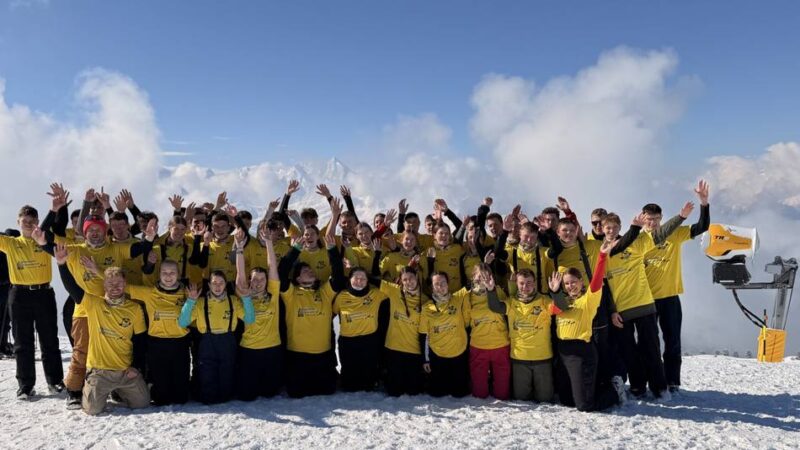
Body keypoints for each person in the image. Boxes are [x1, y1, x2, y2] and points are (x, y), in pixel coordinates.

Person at [602, 205, 687, 400]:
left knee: (651, 348)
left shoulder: (635, 243)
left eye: (615, 227)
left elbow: (661, 234)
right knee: (629, 352)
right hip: (621, 310)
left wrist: (680, 217)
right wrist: (612, 310)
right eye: (607, 227)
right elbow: (604, 286)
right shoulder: (601, 253)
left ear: (619, 228)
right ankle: (638, 386)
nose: (611, 230)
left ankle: (660, 388)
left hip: (644, 305)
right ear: (602, 229)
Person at [54, 245, 149, 416]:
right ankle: (90, 386)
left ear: (125, 284)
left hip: (124, 371)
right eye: (110, 283)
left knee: (142, 404)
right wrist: (61, 264)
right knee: (92, 410)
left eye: (119, 283)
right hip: (100, 372)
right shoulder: (94, 304)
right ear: (104, 285)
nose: (115, 287)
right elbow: (73, 288)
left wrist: (135, 367)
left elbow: (140, 342)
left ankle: (119, 390)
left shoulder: (134, 308)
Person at [642, 180, 711, 394]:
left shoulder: (674, 233)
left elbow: (702, 227)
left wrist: (704, 203)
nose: (652, 223)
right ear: (643, 218)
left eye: (656, 219)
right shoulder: (637, 239)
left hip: (670, 296)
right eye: (649, 219)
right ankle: (649, 381)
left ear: (661, 219)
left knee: (672, 341)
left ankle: (672, 382)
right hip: (644, 299)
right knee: (648, 344)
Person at [276, 199, 344, 398]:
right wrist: (295, 250)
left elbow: (338, 278)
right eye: (306, 270)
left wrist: (332, 250)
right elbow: (281, 273)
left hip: (322, 354)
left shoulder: (323, 291)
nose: (311, 272)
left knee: (327, 390)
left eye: (311, 270)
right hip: (297, 355)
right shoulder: (290, 294)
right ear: (297, 277)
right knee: (297, 392)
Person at [546, 239, 623, 411]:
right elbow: (556, 310)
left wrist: (602, 256)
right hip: (563, 351)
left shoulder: (588, 299)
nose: (570, 286)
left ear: (581, 282)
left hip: (582, 352)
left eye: (574, 281)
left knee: (584, 405)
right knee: (566, 400)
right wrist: (555, 291)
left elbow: (596, 282)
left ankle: (615, 392)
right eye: (566, 283)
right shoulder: (561, 301)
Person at [0, 206, 64, 400]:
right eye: (24, 220)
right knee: (22, 342)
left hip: (43, 293)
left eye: (32, 220)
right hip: (19, 295)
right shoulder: (10, 242)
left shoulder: (45, 239)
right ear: (18, 221)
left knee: (49, 339)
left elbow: (59, 226)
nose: (28, 224)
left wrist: (54, 209)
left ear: (37, 222)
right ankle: (26, 385)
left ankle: (55, 381)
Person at [178, 270, 254, 404]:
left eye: (221, 283)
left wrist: (247, 298)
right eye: (214, 283)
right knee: (207, 373)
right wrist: (190, 301)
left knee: (227, 372)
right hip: (207, 342)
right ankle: (209, 399)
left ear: (226, 284)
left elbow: (250, 319)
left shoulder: (233, 301)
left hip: (227, 341)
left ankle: (225, 399)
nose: (218, 286)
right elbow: (182, 322)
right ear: (209, 284)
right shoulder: (201, 302)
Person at [487, 268, 553, 403]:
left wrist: (556, 292)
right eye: (522, 283)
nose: (525, 287)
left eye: (529, 283)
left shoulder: (544, 301)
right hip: (519, 358)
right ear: (516, 284)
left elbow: (561, 308)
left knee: (546, 400)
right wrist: (490, 289)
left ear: (534, 283)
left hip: (543, 358)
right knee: (522, 400)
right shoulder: (511, 302)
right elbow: (495, 307)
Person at [332, 239, 390, 392]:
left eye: (363, 278)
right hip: (348, 341)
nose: (359, 281)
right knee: (349, 383)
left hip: (369, 340)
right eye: (356, 278)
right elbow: (331, 314)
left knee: (369, 382)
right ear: (349, 280)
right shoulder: (341, 296)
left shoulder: (377, 294)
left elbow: (386, 286)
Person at [234, 229, 284, 400]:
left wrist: (269, 243)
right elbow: (240, 275)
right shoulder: (244, 293)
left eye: (262, 279)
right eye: (255, 279)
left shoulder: (273, 294)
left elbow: (272, 267)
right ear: (250, 280)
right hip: (250, 349)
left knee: (270, 393)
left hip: (272, 348)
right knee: (247, 395)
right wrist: (239, 249)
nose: (258, 283)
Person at [418, 271, 471, 398]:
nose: (440, 286)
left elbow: (475, 283)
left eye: (443, 283)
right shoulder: (427, 308)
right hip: (438, 355)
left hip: (459, 353)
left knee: (460, 394)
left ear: (448, 284)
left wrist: (486, 264)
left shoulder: (458, 298)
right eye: (436, 284)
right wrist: (426, 360)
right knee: (437, 394)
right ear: (431, 287)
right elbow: (424, 336)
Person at [464, 262, 511, 400]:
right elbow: (466, 321)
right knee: (479, 394)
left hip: (500, 344)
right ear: (473, 277)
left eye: (486, 276)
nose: (482, 280)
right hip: (479, 345)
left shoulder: (498, 291)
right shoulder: (468, 296)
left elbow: (509, 309)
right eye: (479, 276)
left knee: (502, 394)